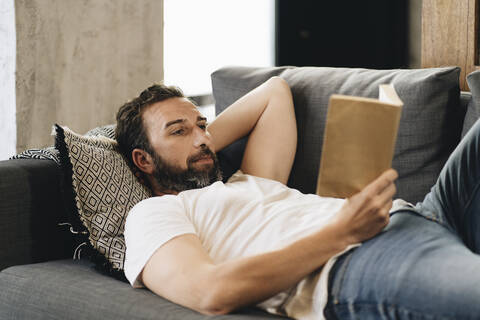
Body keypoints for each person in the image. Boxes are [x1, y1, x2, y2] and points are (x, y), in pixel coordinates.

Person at [115, 78, 480, 320]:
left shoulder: (246, 181)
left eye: (202, 126)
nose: (202, 139)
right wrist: (343, 233)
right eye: (179, 131)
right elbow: (211, 292)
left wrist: (195, 138)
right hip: (359, 263)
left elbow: (275, 91)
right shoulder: (152, 212)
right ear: (142, 159)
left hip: (427, 213)